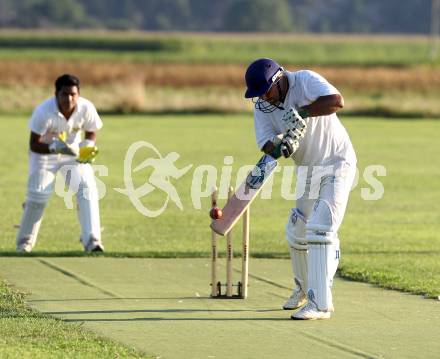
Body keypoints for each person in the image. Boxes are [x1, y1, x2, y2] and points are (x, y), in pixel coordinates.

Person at [244, 58, 357, 320]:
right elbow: (265, 145)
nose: (263, 98)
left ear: (279, 80)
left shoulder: (305, 80)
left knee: (320, 228)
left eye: (266, 91)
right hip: (307, 169)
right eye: (258, 95)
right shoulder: (263, 107)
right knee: (297, 228)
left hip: (337, 162)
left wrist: (303, 113)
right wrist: (281, 145)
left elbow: (337, 101)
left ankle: (320, 304)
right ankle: (305, 289)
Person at [16, 74, 104, 253]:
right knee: (38, 194)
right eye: (64, 94)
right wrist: (53, 147)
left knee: (86, 189)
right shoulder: (43, 111)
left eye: (73, 94)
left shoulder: (86, 107)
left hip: (72, 154)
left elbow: (91, 131)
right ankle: (24, 243)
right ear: (56, 94)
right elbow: (34, 144)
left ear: (78, 94)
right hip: (44, 155)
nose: (69, 99)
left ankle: (92, 241)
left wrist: (88, 145)